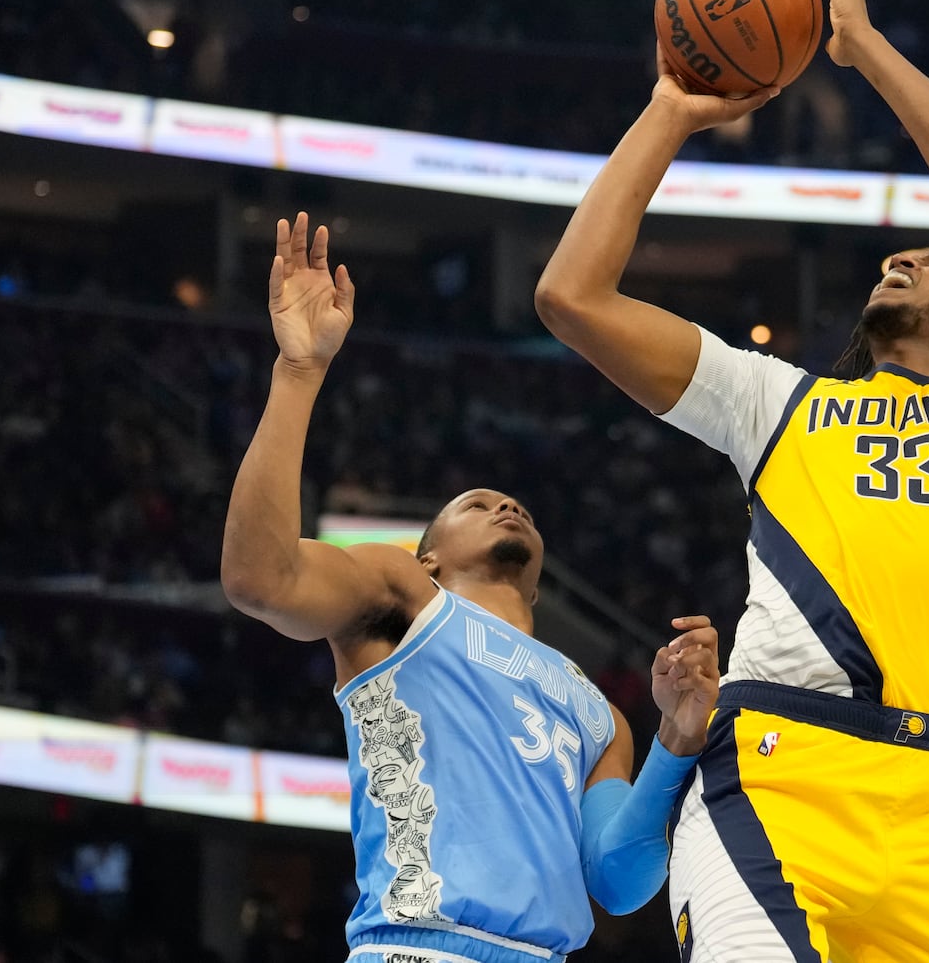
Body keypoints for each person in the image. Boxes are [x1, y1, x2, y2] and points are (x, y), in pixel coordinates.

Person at [534, 0, 929, 963]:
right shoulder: (776, 403)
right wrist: (667, 110)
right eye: (898, 253)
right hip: (777, 778)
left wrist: (861, 48)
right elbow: (570, 295)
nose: (902, 260)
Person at [221, 213, 721, 963]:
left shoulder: (600, 711)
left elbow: (618, 880)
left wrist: (678, 738)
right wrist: (298, 373)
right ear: (427, 559)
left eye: (512, 502)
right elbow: (260, 578)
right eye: (475, 503)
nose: (504, 503)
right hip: (422, 947)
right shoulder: (404, 598)